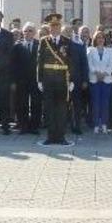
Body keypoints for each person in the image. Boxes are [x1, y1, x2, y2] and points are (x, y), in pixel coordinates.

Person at [37, 14, 74, 145]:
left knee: (62, 109)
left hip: (62, 80)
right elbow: (40, 62)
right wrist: (39, 80)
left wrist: (72, 80)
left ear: (60, 26)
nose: (54, 28)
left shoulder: (67, 41)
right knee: (49, 109)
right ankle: (50, 136)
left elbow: (71, 62)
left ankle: (61, 137)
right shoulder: (43, 41)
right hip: (48, 79)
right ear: (49, 27)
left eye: (57, 25)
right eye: (52, 25)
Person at [11, 22, 41, 134]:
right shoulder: (17, 46)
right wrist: (13, 81)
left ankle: (34, 127)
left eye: (30, 31)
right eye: (25, 31)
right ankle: (23, 126)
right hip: (21, 80)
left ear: (34, 33)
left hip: (35, 80)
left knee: (36, 104)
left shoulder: (40, 45)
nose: (27, 33)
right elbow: (13, 65)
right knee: (21, 103)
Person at [87, 30, 112, 134]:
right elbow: (89, 64)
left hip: (106, 80)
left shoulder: (110, 51)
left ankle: (104, 124)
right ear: (95, 39)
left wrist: (104, 74)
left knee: (105, 103)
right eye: (98, 37)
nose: (100, 40)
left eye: (102, 38)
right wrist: (96, 73)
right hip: (94, 79)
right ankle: (95, 124)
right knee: (95, 103)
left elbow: (111, 64)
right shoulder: (90, 50)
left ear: (104, 39)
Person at [63, 25, 89, 135]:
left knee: (77, 104)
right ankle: (62, 126)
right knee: (62, 104)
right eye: (66, 31)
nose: (68, 33)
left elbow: (84, 64)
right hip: (61, 81)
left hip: (76, 80)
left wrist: (84, 80)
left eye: (70, 31)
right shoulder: (58, 48)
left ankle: (76, 126)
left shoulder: (79, 47)